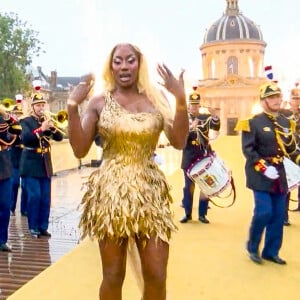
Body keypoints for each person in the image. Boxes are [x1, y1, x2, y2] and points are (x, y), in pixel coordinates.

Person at [67, 43, 188, 300]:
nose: (124, 66)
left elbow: (178, 141)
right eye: (118, 61)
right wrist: (71, 106)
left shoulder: (157, 99)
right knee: (113, 274)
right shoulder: (100, 102)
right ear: (111, 66)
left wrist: (180, 99)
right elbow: (79, 149)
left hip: (149, 192)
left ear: (139, 63)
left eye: (130, 60)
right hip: (111, 193)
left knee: (157, 274)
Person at [235, 82, 300, 265]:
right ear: (263, 100)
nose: (276, 100)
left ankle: (271, 251)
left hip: (279, 174)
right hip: (260, 173)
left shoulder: (286, 123)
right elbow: (248, 150)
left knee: (278, 215)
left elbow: (291, 149)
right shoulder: (253, 122)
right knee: (264, 212)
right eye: (271, 97)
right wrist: (264, 167)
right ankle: (252, 246)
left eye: (278, 96)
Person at [19, 93, 64, 238]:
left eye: (42, 105)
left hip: (45, 163)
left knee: (45, 197)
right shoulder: (25, 121)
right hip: (31, 163)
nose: (41, 108)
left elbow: (60, 138)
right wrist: (41, 129)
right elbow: (26, 139)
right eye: (38, 105)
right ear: (32, 107)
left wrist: (52, 128)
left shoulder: (45, 120)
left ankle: (43, 226)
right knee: (35, 197)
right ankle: (33, 227)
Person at [180, 91, 221, 224]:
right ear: (189, 105)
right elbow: (180, 137)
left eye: (197, 105)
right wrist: (191, 127)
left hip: (203, 154)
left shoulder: (205, 117)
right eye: (192, 105)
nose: (194, 107)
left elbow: (215, 127)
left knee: (205, 186)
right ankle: (187, 213)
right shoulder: (183, 118)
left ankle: (202, 214)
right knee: (188, 187)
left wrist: (214, 116)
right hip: (189, 155)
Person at [0, 105, 22, 252]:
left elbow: (13, 136)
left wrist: (8, 118)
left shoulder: (3, 119)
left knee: (4, 205)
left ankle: (2, 240)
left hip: (3, 166)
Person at [280, 86, 300, 215]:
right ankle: (284, 214)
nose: (297, 101)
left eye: (299, 98)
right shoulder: (284, 114)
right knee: (288, 182)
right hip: (288, 152)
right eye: (295, 98)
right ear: (290, 100)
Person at [9, 104, 27, 217]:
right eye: (16, 114)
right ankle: (11, 207)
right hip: (14, 155)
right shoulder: (10, 126)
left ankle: (24, 209)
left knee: (25, 184)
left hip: (24, 155)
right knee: (14, 183)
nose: (18, 116)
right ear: (12, 114)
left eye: (19, 114)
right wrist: (14, 125)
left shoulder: (25, 124)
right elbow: (9, 138)